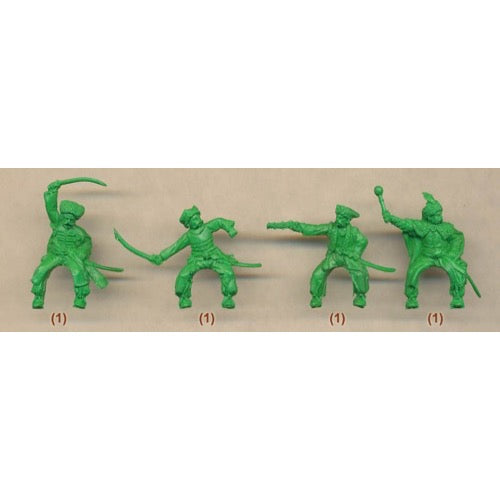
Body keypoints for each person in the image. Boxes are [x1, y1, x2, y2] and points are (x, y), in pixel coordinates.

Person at [115, 206, 261, 309]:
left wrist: (230, 229)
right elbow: (175, 247)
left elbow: (220, 221)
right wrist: (161, 257)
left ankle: (228, 297)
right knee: (184, 275)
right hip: (196, 260)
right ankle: (184, 298)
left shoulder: (208, 227)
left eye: (197, 217)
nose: (196, 220)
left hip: (214, 257)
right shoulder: (188, 236)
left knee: (227, 272)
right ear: (188, 224)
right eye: (192, 219)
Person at [267, 205, 394, 308]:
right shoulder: (330, 228)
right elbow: (312, 229)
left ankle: (360, 296)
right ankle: (316, 297)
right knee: (318, 274)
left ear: (348, 220)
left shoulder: (354, 232)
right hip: (333, 257)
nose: (338, 219)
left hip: (348, 258)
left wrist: (355, 253)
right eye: (337, 216)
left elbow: (363, 241)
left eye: (342, 217)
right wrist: (293, 225)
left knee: (360, 273)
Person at [31, 178, 122, 309]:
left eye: (71, 219)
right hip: (54, 255)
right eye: (66, 218)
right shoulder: (57, 224)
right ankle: (38, 296)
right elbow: (51, 209)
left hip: (71, 256)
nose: (68, 221)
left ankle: (80, 298)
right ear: (62, 217)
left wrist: (80, 254)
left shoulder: (80, 233)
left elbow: (87, 243)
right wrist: (53, 190)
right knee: (41, 271)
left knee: (79, 272)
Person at [379, 191, 470, 308]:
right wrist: (391, 218)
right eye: (435, 215)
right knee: (412, 271)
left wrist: (452, 254)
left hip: (443, 256)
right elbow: (405, 224)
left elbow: (457, 237)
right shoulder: (421, 226)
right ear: (428, 217)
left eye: (440, 214)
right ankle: (411, 297)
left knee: (458, 271)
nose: (439, 217)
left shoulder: (447, 227)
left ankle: (457, 296)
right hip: (425, 256)